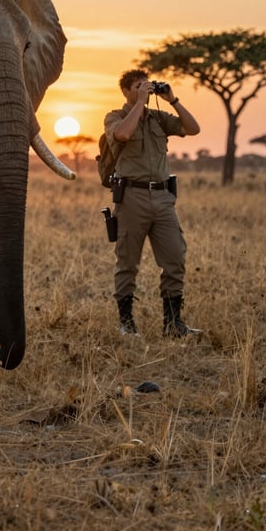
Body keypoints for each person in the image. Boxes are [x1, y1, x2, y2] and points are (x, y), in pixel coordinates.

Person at [104, 69, 201, 338]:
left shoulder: (159, 118)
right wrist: (138, 104)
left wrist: (173, 100)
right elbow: (122, 135)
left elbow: (193, 129)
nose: (145, 89)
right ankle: (127, 324)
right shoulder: (116, 116)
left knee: (175, 259)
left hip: (163, 197)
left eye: (147, 85)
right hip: (131, 197)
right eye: (138, 86)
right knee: (127, 262)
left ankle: (173, 325)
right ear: (125, 90)